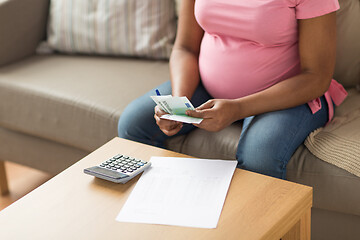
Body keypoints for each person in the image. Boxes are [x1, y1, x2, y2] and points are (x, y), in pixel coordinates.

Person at [118, 0, 347, 179]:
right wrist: (179, 103)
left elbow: (316, 77)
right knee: (133, 123)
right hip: (208, 88)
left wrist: (238, 108)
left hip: (286, 97)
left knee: (260, 156)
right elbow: (186, 48)